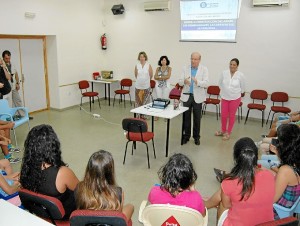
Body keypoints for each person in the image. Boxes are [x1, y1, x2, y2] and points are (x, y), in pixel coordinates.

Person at [205, 137, 275, 226]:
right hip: (267, 224)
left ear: (236, 158)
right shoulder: (269, 175)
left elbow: (227, 205)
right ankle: (208, 202)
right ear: (256, 156)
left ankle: (204, 203)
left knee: (222, 203)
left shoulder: (229, 182)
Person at [20, 124, 79, 219]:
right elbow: (82, 189)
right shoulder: (62, 173)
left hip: (43, 213)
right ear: (53, 146)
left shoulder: (26, 169)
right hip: (66, 216)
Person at [75, 150, 134, 222]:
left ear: (89, 170)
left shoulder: (79, 188)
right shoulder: (118, 192)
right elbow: (117, 219)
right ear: (110, 172)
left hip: (88, 223)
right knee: (130, 207)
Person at [267, 124, 300, 219]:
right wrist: (279, 152)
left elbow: (271, 200)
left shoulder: (285, 171)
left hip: (276, 212)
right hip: (287, 206)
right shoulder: (295, 161)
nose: (277, 141)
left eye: (279, 140)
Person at [179, 52, 209, 145]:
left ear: (199, 60)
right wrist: (184, 81)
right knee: (186, 118)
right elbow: (180, 82)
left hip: (198, 97)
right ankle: (186, 136)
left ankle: (196, 137)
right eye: (192, 58)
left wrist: (197, 82)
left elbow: (206, 83)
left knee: (197, 119)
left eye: (195, 59)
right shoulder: (185, 68)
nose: (193, 61)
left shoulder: (204, 69)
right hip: (187, 96)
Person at [215, 58, 245, 141]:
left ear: (237, 66)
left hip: (235, 98)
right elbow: (220, 83)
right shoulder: (224, 73)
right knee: (223, 115)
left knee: (231, 116)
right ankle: (223, 130)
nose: (232, 66)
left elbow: (243, 87)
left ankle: (228, 132)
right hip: (224, 97)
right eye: (231, 64)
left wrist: (236, 92)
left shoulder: (240, 75)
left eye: (234, 65)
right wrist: (225, 91)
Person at [2, 50, 32, 119]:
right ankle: (10, 118)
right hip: (6, 87)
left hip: (13, 85)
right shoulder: (2, 66)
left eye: (9, 58)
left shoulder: (12, 64)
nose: (8, 60)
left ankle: (24, 115)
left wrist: (18, 83)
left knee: (18, 100)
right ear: (3, 57)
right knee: (9, 104)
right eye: (6, 58)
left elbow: (16, 74)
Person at [134, 51, 153, 119]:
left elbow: (151, 75)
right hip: (138, 86)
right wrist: (140, 81)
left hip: (146, 86)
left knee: (145, 102)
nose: (142, 58)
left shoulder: (148, 65)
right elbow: (136, 75)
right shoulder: (137, 65)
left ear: (145, 58)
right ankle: (138, 115)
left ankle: (144, 115)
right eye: (140, 57)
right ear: (139, 58)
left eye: (143, 57)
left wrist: (146, 81)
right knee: (138, 101)